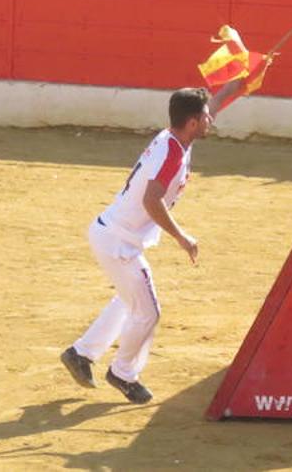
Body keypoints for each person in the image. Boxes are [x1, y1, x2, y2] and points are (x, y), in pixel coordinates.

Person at [60, 86, 246, 405]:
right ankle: (123, 373)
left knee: (128, 301)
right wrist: (181, 237)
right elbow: (151, 199)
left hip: (112, 233)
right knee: (148, 312)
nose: (210, 120)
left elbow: (213, 105)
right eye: (205, 118)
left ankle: (81, 353)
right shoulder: (172, 152)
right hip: (119, 243)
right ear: (192, 123)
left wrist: (241, 84)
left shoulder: (176, 136)